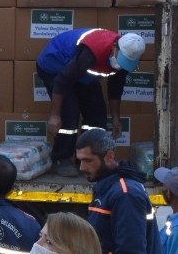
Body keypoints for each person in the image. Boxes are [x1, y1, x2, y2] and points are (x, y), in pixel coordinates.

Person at [36, 28, 146, 177]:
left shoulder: (123, 62)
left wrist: (115, 118)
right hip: (55, 65)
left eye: (126, 63)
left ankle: (87, 157)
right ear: (114, 48)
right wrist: (54, 115)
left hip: (83, 73)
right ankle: (61, 158)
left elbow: (115, 89)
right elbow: (63, 80)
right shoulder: (93, 50)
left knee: (97, 113)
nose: (121, 65)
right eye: (121, 60)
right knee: (69, 112)